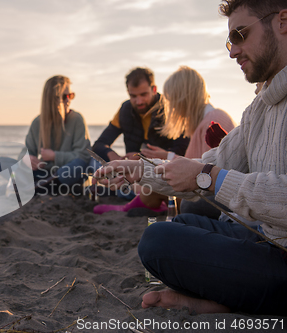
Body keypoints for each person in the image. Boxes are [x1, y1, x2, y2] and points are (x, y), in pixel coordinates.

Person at [94, 0, 287, 315]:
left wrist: (208, 177)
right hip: (263, 238)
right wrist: (140, 170)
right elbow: (211, 163)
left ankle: (222, 301)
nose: (232, 51)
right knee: (179, 224)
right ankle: (222, 299)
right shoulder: (259, 107)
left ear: (283, 22)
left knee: (159, 241)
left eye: (240, 34)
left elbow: (208, 174)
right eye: (229, 40)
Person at [94, 66, 235, 216]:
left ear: (183, 98)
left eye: (170, 100)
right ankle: (139, 202)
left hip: (214, 200)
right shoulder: (201, 123)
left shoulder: (214, 121)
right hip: (198, 190)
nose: (168, 107)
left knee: (155, 192)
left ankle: (135, 205)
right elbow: (196, 167)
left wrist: (163, 158)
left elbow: (207, 174)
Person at [0, 75, 94, 195]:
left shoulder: (77, 119)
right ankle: (44, 187)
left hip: (65, 175)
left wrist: (54, 156)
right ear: (52, 99)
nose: (68, 100)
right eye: (65, 96)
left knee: (77, 166)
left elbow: (84, 155)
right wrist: (27, 159)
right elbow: (26, 151)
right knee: (1, 163)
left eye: (71, 95)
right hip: (43, 173)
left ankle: (36, 187)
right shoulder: (38, 122)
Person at [92, 67, 190, 162]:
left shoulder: (172, 109)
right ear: (128, 92)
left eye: (143, 94)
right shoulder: (124, 110)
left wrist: (145, 158)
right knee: (93, 163)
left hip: (166, 172)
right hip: (131, 172)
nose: (139, 102)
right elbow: (99, 145)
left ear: (154, 89)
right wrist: (114, 156)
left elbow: (185, 151)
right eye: (133, 96)